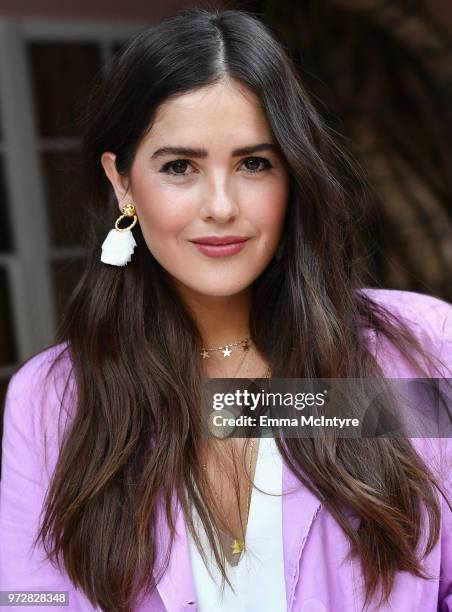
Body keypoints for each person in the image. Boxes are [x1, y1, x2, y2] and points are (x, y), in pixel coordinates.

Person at [1, 7, 452, 612]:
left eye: (254, 164)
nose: (220, 205)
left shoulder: (416, 352)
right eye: (180, 166)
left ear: (294, 175)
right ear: (124, 182)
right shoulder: (55, 400)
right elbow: (33, 601)